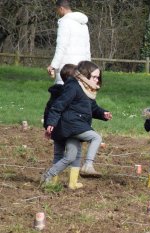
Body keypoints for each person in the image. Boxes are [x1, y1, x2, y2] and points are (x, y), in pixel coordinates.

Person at [41, 61, 112, 189]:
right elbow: (58, 106)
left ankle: (55, 178)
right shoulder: (74, 87)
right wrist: (50, 123)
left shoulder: (86, 89)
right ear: (85, 75)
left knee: (71, 156)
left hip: (74, 126)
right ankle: (88, 166)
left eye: (98, 77)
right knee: (96, 137)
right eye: (94, 77)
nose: (97, 80)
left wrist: (103, 114)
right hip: (72, 125)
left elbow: (92, 108)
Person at [47, 0, 90, 85]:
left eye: (57, 10)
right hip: (82, 67)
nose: (57, 12)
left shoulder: (65, 22)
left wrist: (53, 65)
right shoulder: (83, 24)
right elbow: (87, 47)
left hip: (67, 68)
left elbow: (61, 46)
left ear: (61, 8)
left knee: (62, 95)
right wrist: (88, 66)